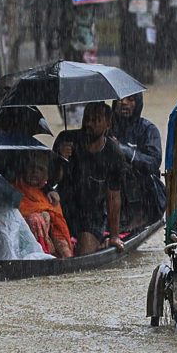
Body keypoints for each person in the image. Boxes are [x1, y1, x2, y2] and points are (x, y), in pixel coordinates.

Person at [53, 102, 125, 256]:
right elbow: (51, 180)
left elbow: (113, 197)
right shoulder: (66, 140)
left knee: (84, 254)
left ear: (108, 124)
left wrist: (114, 236)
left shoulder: (114, 153)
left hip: (92, 215)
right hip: (63, 208)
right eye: (87, 119)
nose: (89, 124)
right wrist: (60, 158)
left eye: (95, 120)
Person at [111, 93, 167, 230]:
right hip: (113, 188)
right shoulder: (106, 126)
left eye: (130, 99)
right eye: (120, 99)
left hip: (146, 194)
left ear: (138, 104)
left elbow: (153, 163)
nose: (123, 102)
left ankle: (136, 219)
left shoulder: (148, 129)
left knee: (128, 172)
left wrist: (124, 151)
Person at [15, 157, 73, 258]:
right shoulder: (13, 190)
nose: (35, 172)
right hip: (18, 248)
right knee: (35, 219)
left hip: (48, 252)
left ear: (46, 175)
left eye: (40, 169)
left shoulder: (50, 197)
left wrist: (67, 257)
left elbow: (58, 230)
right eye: (31, 167)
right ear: (24, 169)